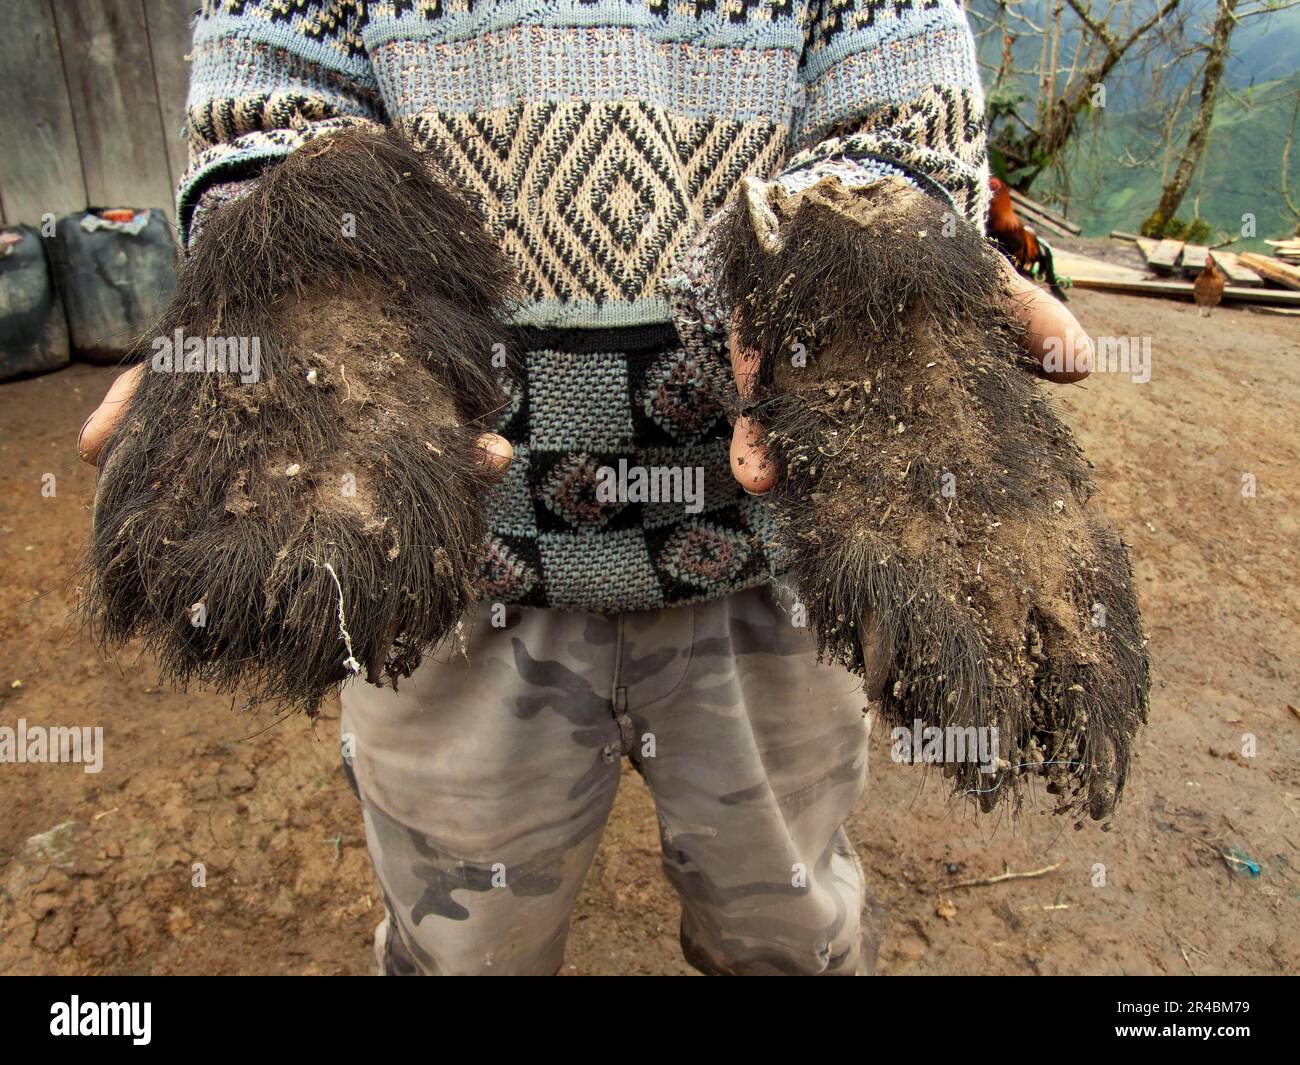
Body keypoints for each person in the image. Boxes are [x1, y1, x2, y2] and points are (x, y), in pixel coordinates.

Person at [79, 0, 1091, 976]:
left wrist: (863, 240)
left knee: (788, 929)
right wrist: (302, 254)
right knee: (464, 943)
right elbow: (269, 96)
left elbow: (902, 106)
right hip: (452, 549)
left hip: (760, 550)